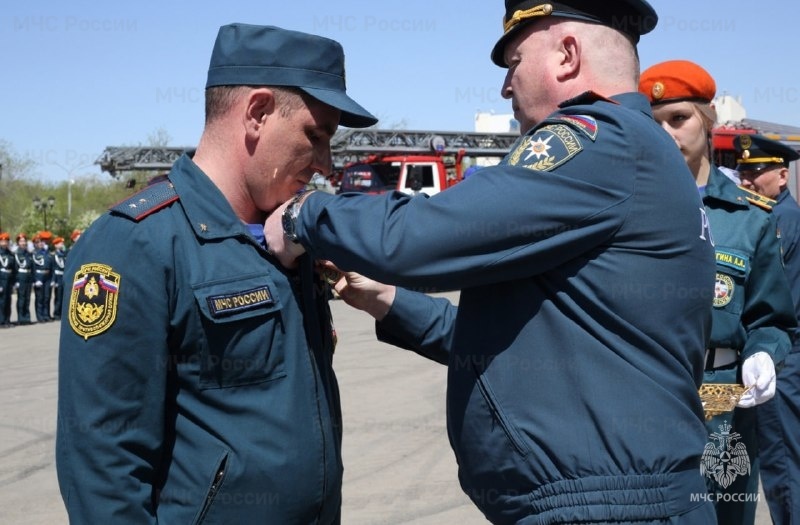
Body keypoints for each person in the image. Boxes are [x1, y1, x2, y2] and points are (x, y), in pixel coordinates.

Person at [266, 2, 719, 522]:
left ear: (567, 55)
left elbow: (426, 236)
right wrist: (392, 302)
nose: (506, 88)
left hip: (608, 508)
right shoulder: (638, 154)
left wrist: (307, 214)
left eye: (514, 63)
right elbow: (528, 344)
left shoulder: (598, 141)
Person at [56, 23, 377, 523]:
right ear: (258, 112)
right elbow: (104, 467)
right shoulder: (136, 243)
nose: (326, 163)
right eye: (315, 136)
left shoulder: (288, 239)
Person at [639, 60, 796, 525]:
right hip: (646, 391)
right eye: (654, 123)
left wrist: (765, 352)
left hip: (722, 396)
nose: (666, 132)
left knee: (726, 514)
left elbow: (773, 318)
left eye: (678, 118)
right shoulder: (628, 212)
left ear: (706, 121)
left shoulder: (749, 218)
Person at [734, 133, 800, 524]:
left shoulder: (779, 222)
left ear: (782, 176)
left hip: (781, 359)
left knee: (782, 466)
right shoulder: (774, 216)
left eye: (756, 172)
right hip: (780, 357)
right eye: (742, 171)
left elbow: (775, 305)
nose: (746, 179)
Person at [32, 231, 54, 322]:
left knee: (47, 297)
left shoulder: (48, 253)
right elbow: (32, 268)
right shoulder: (34, 254)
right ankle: (40, 316)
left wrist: (53, 279)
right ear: (35, 244)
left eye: (42, 241)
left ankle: (46, 315)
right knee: (39, 298)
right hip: (39, 276)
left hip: (48, 276)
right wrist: (35, 280)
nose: (41, 243)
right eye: (38, 242)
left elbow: (52, 267)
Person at [13, 233, 34, 325]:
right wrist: (16, 281)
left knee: (27, 298)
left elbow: (32, 267)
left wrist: (33, 279)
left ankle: (27, 317)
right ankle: (21, 318)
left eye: (24, 241)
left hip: (28, 276)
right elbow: (15, 268)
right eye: (21, 241)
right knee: (21, 298)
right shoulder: (16, 254)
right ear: (18, 243)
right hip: (20, 276)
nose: (23, 243)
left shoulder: (29, 254)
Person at [51, 236, 67, 320]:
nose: (62, 244)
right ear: (56, 245)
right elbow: (53, 268)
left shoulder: (64, 254)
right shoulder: (54, 255)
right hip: (57, 277)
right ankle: (56, 313)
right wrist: (54, 280)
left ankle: (61, 313)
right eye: (60, 243)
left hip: (63, 276)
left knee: (63, 296)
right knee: (58, 296)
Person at [0, 232, 14, 328]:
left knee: (8, 301)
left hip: (9, 279)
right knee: (1, 301)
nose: (4, 243)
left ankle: (7, 320)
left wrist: (14, 282)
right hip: (1, 279)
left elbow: (14, 269)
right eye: (2, 241)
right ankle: (1, 321)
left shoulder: (10, 254)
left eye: (6, 241)